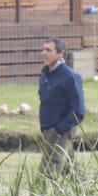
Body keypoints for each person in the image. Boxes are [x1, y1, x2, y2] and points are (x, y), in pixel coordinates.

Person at [37, 38, 85, 174]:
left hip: (60, 130)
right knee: (70, 170)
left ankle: (38, 195)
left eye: (48, 50)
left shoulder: (70, 77)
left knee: (49, 170)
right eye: (43, 49)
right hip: (48, 129)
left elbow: (79, 110)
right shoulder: (45, 74)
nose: (43, 53)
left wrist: (59, 129)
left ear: (60, 54)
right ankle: (87, 194)